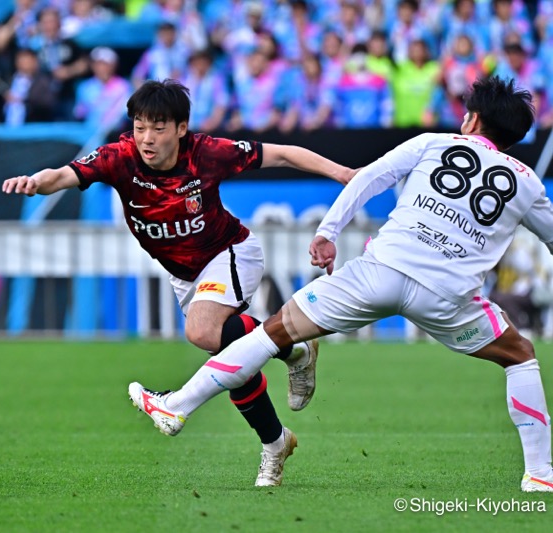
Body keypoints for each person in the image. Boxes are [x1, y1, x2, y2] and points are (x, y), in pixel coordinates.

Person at [129, 76, 553, 493]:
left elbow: (367, 179)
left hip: (380, 271)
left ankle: (177, 406)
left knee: (273, 331)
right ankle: (539, 474)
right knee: (519, 355)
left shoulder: (433, 143)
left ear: (472, 120)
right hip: (448, 296)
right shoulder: (529, 183)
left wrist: (327, 233)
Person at [3, 79, 356, 487]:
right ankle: (277, 435)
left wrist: (342, 172)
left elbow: (281, 154)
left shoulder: (206, 153)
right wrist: (35, 181)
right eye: (139, 126)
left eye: (158, 127)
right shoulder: (118, 158)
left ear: (181, 128)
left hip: (231, 254)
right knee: (231, 355)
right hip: (185, 276)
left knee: (203, 332)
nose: (146, 138)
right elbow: (63, 175)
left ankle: (278, 357)